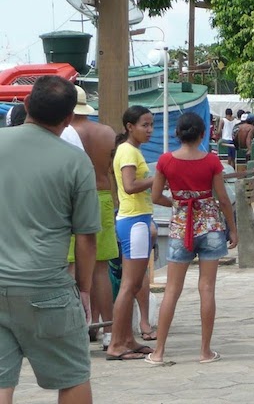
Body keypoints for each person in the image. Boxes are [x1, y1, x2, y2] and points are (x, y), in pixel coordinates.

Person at [0, 76, 99, 403]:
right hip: (46, 289)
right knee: (72, 376)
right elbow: (86, 237)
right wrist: (84, 290)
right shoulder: (75, 162)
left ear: (26, 105)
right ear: (69, 118)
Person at [146, 112, 238, 365]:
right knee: (207, 288)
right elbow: (223, 199)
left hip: (179, 226)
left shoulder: (165, 161)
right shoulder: (211, 162)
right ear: (202, 135)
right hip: (210, 226)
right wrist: (233, 228)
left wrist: (177, 204)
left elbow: (155, 197)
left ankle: (159, 352)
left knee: (172, 290)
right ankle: (205, 351)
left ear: (177, 134)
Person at [67, 86, 119, 351]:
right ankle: (109, 330)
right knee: (101, 269)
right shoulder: (107, 132)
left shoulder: (63, 133)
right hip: (102, 196)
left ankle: (80, 327)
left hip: (73, 201)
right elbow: (112, 171)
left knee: (73, 267)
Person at [106, 106, 156, 361]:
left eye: (151, 125)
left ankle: (126, 339)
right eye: (144, 125)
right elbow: (129, 185)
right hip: (134, 222)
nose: (149, 130)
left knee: (133, 283)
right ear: (129, 126)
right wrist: (158, 179)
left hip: (136, 220)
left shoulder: (131, 151)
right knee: (129, 285)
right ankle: (116, 343)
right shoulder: (128, 151)